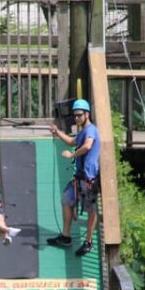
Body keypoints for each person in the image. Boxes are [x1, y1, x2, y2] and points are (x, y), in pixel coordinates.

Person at [46, 98, 101, 257]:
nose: (76, 118)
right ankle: (66, 236)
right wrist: (57, 132)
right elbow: (72, 141)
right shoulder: (82, 131)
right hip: (79, 177)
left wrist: (72, 154)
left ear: (87, 114)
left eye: (79, 115)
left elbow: (87, 146)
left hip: (88, 178)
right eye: (75, 116)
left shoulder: (90, 130)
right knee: (66, 199)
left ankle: (89, 242)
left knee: (91, 210)